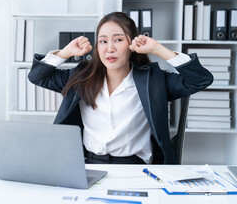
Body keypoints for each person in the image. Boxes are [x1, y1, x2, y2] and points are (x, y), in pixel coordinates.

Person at [28, 12, 213, 165]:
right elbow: (37, 77)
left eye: (118, 40)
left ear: (132, 44)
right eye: (103, 41)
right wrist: (65, 53)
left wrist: (158, 49)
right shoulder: (81, 76)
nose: (110, 48)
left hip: (135, 168)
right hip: (89, 164)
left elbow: (200, 80)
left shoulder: (153, 80)